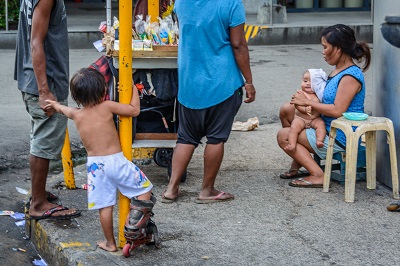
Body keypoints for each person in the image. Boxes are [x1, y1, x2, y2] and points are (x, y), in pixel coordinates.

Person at [45, 68, 155, 252]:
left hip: (96, 168)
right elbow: (134, 110)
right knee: (145, 189)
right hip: (116, 161)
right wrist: (133, 90)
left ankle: (110, 243)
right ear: (104, 91)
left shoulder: (77, 114)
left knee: (104, 206)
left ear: (77, 96)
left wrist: (54, 105)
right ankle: (135, 223)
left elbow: (64, 110)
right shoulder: (107, 106)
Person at [161, 0, 256, 204]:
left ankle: (171, 189)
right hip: (222, 81)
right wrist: (249, 81)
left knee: (186, 137)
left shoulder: (182, 2)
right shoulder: (231, 4)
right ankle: (206, 190)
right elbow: (238, 45)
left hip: (189, 83)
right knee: (216, 137)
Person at [277, 24, 371, 187]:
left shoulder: (350, 76)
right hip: (327, 127)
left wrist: (307, 102)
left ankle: (318, 175)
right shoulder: (337, 71)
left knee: (283, 135)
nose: (323, 51)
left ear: (338, 49)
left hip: (340, 136)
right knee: (286, 110)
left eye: (325, 47)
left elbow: (337, 110)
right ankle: (299, 158)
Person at [14, 0, 80, 219]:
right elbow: (35, 43)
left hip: (32, 79)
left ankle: (38, 194)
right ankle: (39, 204)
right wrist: (44, 91)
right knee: (44, 142)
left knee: (39, 139)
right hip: (45, 82)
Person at [285, 69, 327, 152]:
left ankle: (319, 141)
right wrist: (304, 109)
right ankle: (292, 144)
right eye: (305, 81)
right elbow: (297, 105)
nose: (308, 83)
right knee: (294, 128)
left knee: (321, 124)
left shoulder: (319, 95)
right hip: (301, 119)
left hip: (314, 119)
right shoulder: (300, 93)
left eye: (312, 82)